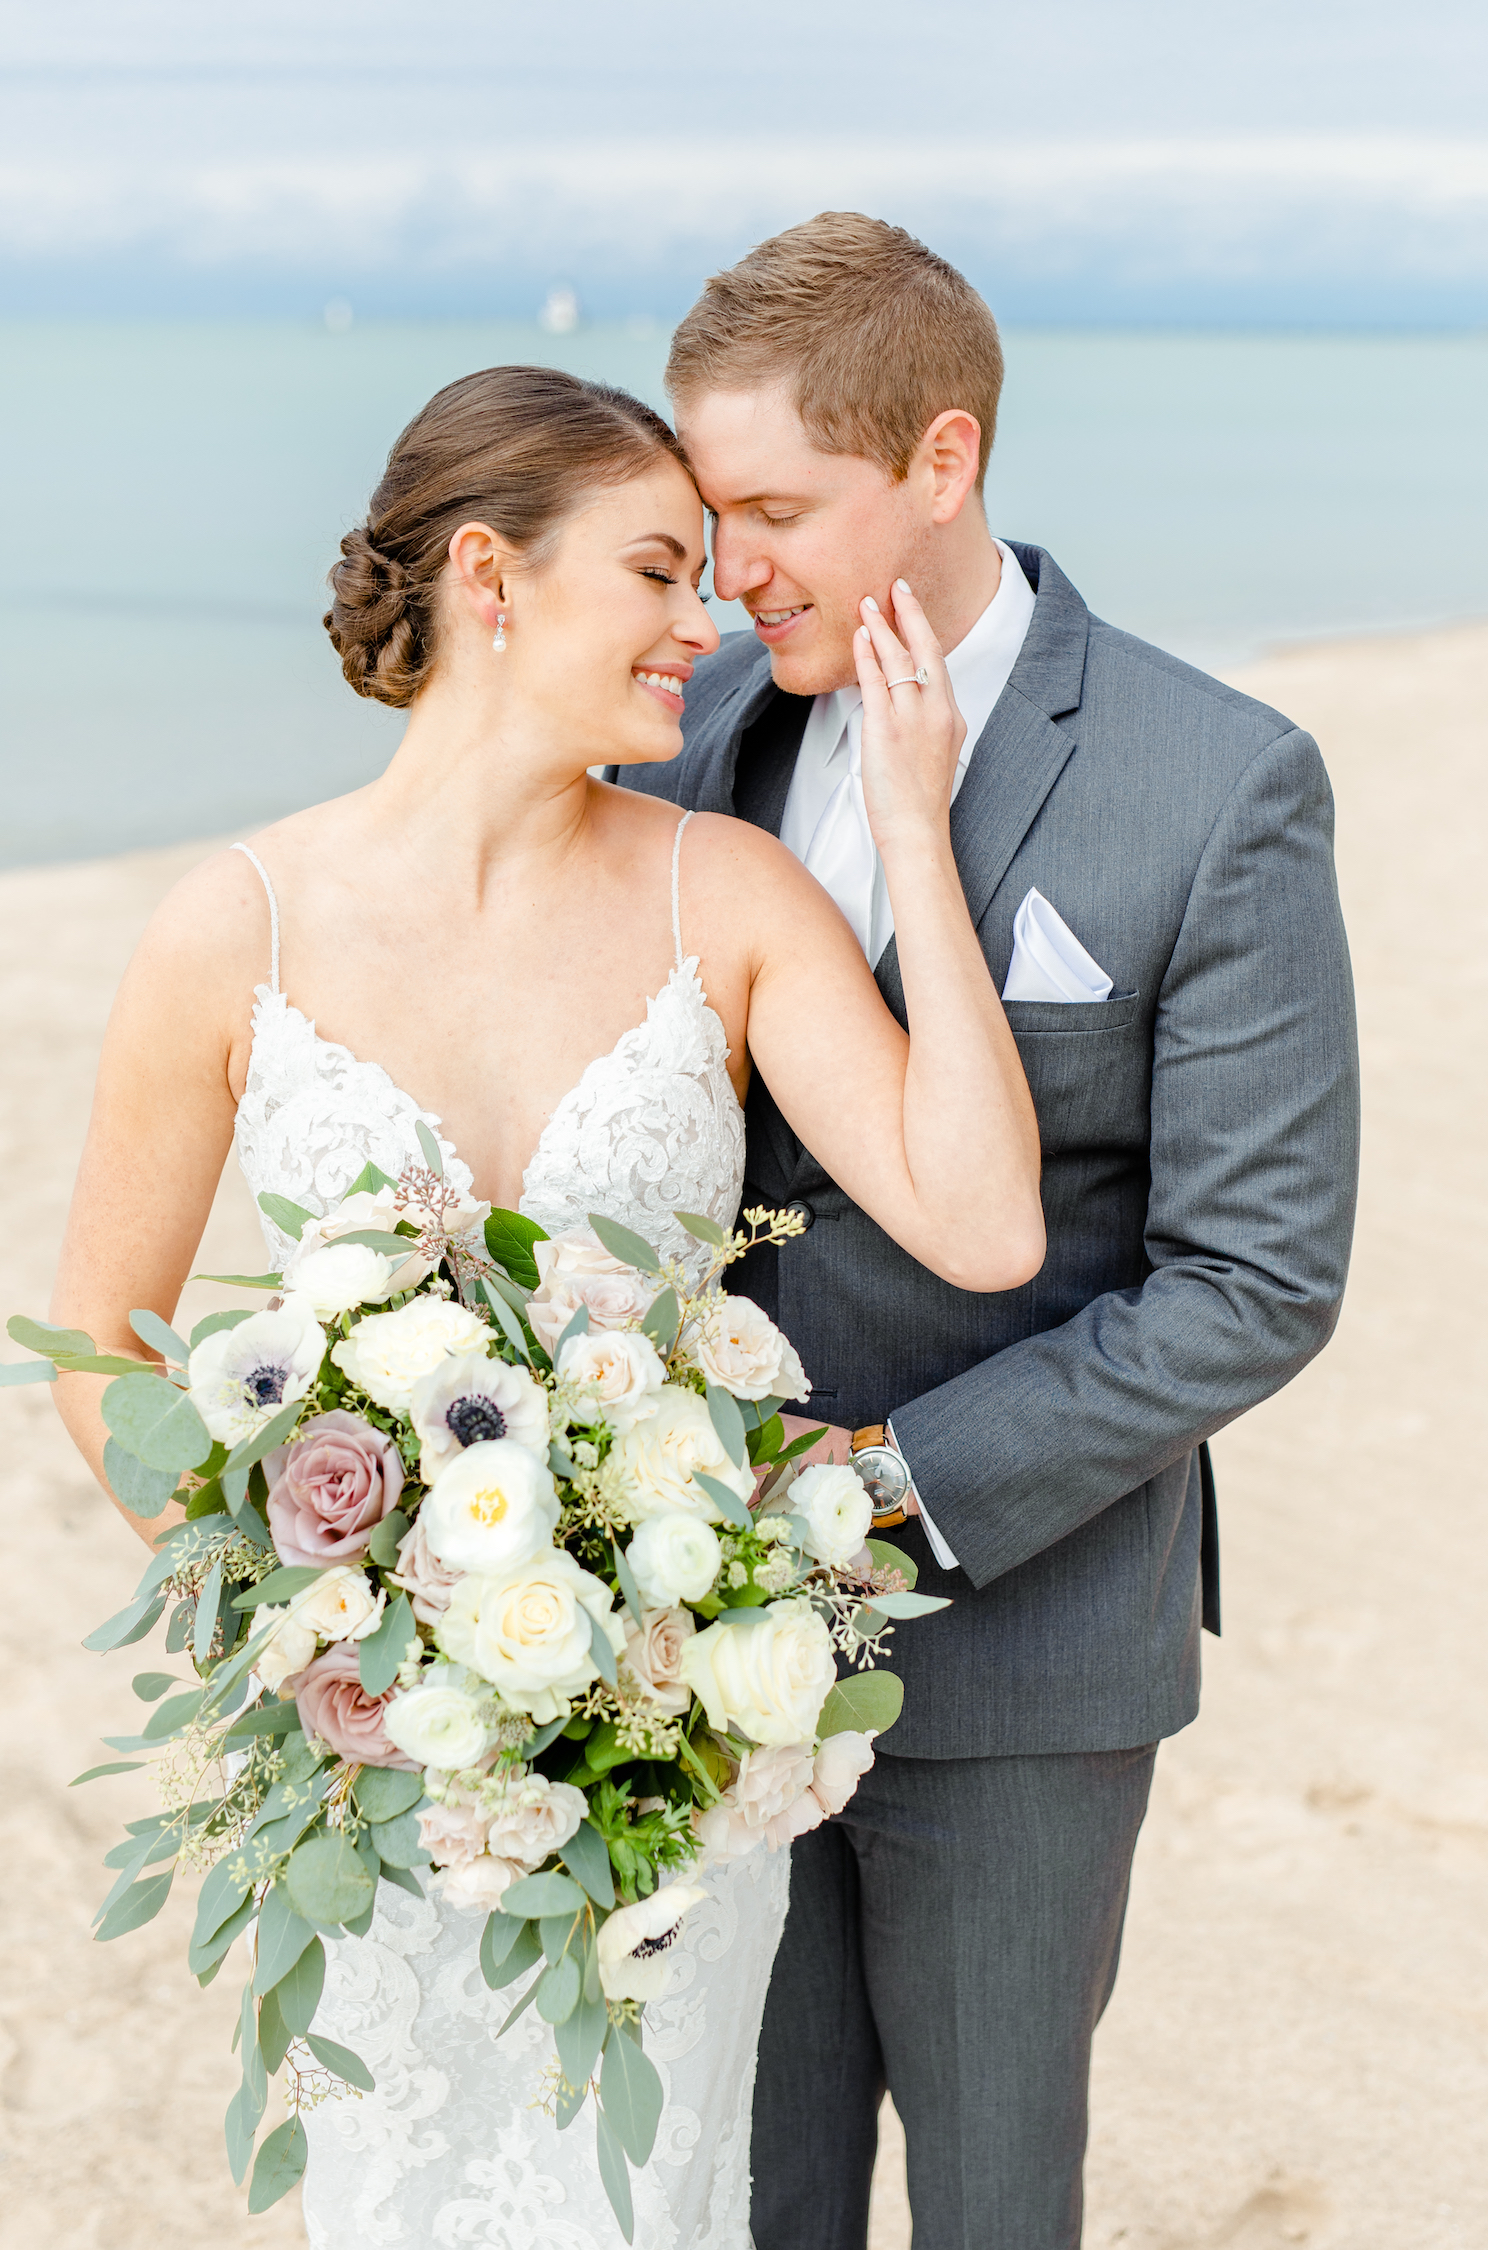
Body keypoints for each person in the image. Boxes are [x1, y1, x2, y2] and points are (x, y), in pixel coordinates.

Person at [45, 365, 1044, 2247]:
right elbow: (101, 1333)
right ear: (492, 578)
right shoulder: (231, 924)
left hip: (651, 1771)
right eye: (660, 570)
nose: (707, 618)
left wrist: (913, 824)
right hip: (381, 1768)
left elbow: (985, 1223)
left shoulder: (724, 894)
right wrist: (307, 1623)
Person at [608, 213, 1361, 2250]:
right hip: (684, 1648)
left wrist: (887, 1494)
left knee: (995, 2201)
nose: (729, 565)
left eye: (778, 507)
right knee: (745, 2196)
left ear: (941, 462)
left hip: (1020, 1645)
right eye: (703, 509)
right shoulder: (683, 751)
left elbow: (1259, 1282)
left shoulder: (1217, 783)